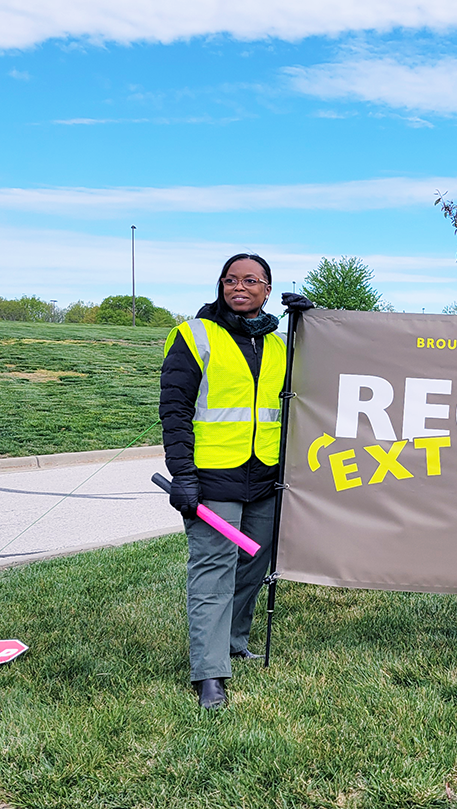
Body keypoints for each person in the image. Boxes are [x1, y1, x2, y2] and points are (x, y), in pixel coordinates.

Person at [159, 253, 301, 710]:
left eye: (251, 280)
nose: (239, 287)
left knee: (252, 567)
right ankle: (210, 674)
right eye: (231, 279)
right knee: (214, 572)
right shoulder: (193, 336)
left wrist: (314, 327)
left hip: (265, 477)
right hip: (212, 479)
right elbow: (175, 413)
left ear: (267, 287)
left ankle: (235, 641)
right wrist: (183, 475)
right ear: (221, 285)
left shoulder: (280, 345)